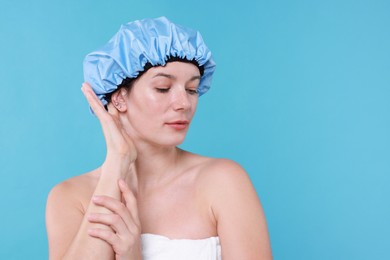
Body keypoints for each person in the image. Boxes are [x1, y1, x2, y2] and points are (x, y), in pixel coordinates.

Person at [46, 17, 272, 260]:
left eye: (192, 89)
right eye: (163, 88)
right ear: (119, 98)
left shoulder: (223, 181)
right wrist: (117, 159)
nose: (184, 103)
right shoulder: (70, 197)